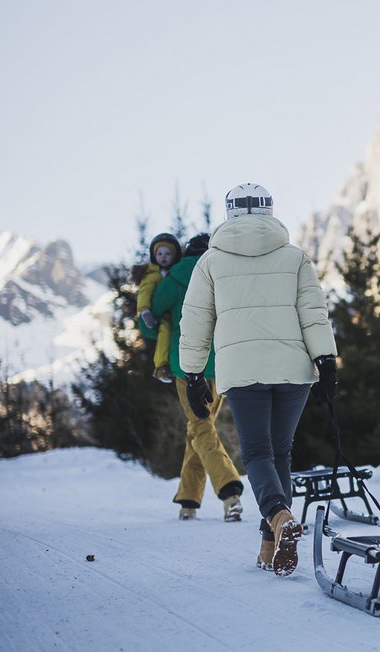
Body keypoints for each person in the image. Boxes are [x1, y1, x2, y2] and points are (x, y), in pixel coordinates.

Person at [179, 182, 338, 576]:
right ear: (269, 210)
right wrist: (327, 361)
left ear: (229, 212)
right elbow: (314, 313)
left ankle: (279, 518)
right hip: (294, 369)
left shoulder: (211, 261)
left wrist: (194, 374)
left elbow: (196, 321)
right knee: (280, 451)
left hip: (244, 370)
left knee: (256, 453)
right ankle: (269, 545)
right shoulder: (295, 257)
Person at [150, 233, 245, 522]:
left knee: (200, 428)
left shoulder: (175, 277)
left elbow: (151, 318)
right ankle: (189, 500)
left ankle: (229, 492)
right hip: (220, 364)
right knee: (199, 427)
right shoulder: (223, 273)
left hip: (186, 366)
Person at [137, 233, 182, 383]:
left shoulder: (176, 273)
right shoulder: (152, 275)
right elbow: (144, 292)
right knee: (165, 332)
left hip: (175, 313)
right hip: (162, 317)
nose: (163, 257)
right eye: (159, 253)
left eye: (168, 253)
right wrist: (145, 311)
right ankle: (161, 366)